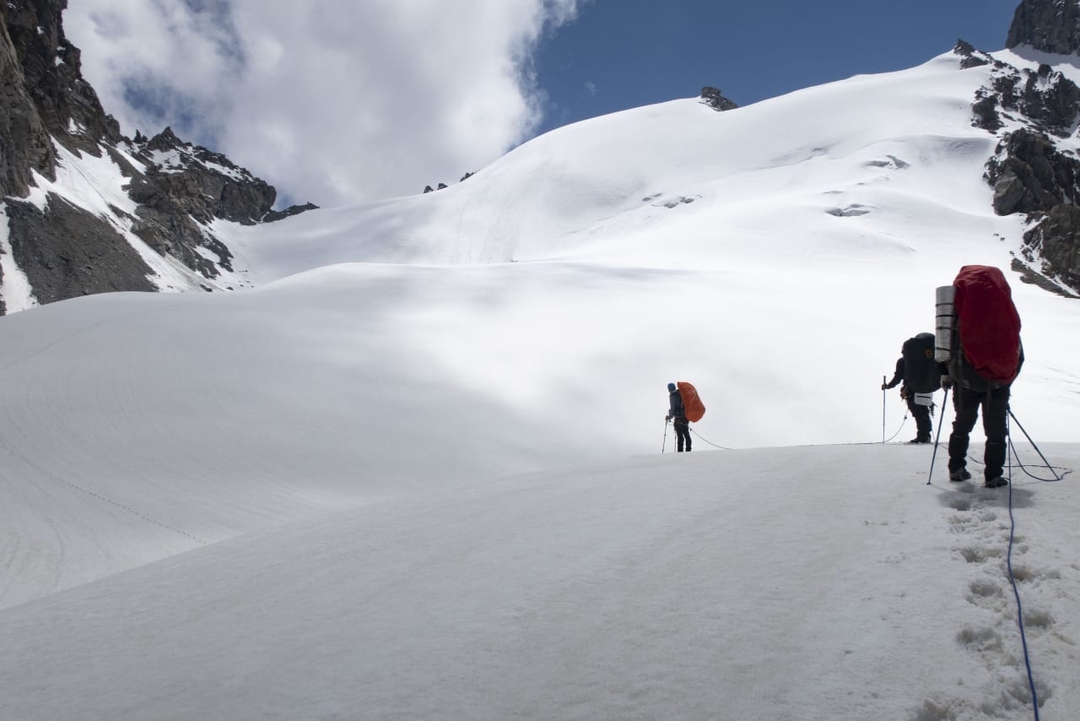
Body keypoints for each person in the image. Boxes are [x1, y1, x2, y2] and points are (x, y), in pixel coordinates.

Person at [940, 352, 1020, 488]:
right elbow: (1018, 356)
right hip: (998, 385)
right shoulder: (1004, 329)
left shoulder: (960, 329)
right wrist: (1006, 381)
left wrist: (947, 375)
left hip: (964, 382)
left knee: (962, 425)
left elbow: (944, 353)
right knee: (996, 431)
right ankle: (993, 476)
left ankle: (956, 469)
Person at [882, 354, 932, 443]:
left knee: (917, 412)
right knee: (923, 411)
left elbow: (897, 378)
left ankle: (923, 435)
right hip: (925, 389)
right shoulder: (922, 359)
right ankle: (925, 434)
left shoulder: (903, 361)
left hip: (911, 390)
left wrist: (888, 386)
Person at [666, 382, 691, 452]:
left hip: (678, 419)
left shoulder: (673, 396)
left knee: (680, 437)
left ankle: (680, 454)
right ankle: (688, 451)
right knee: (687, 435)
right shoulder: (681, 394)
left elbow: (673, 408)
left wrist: (669, 417)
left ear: (669, 389)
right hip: (685, 418)